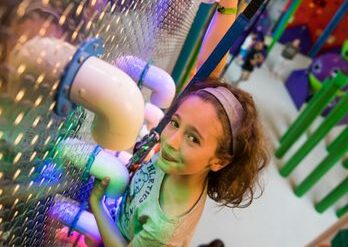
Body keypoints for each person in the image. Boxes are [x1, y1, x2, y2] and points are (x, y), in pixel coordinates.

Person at [89, 78, 270, 247]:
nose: (170, 142)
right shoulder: (183, 165)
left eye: (193, 138)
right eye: (175, 123)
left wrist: (97, 206)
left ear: (219, 161)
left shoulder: (164, 227)